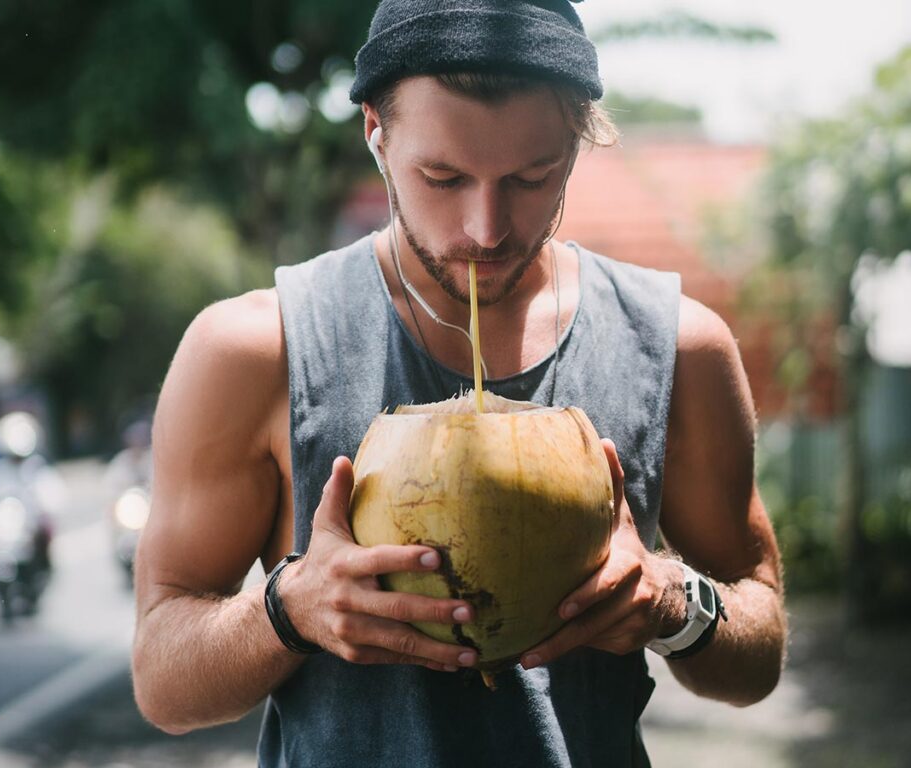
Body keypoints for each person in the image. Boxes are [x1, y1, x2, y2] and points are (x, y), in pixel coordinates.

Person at [132, 1, 788, 765]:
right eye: (442, 177)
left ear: (578, 139)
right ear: (375, 130)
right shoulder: (254, 351)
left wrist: (675, 604)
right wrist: (290, 609)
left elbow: (759, 654)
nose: (486, 228)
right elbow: (162, 683)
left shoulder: (678, 346)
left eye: (533, 177)